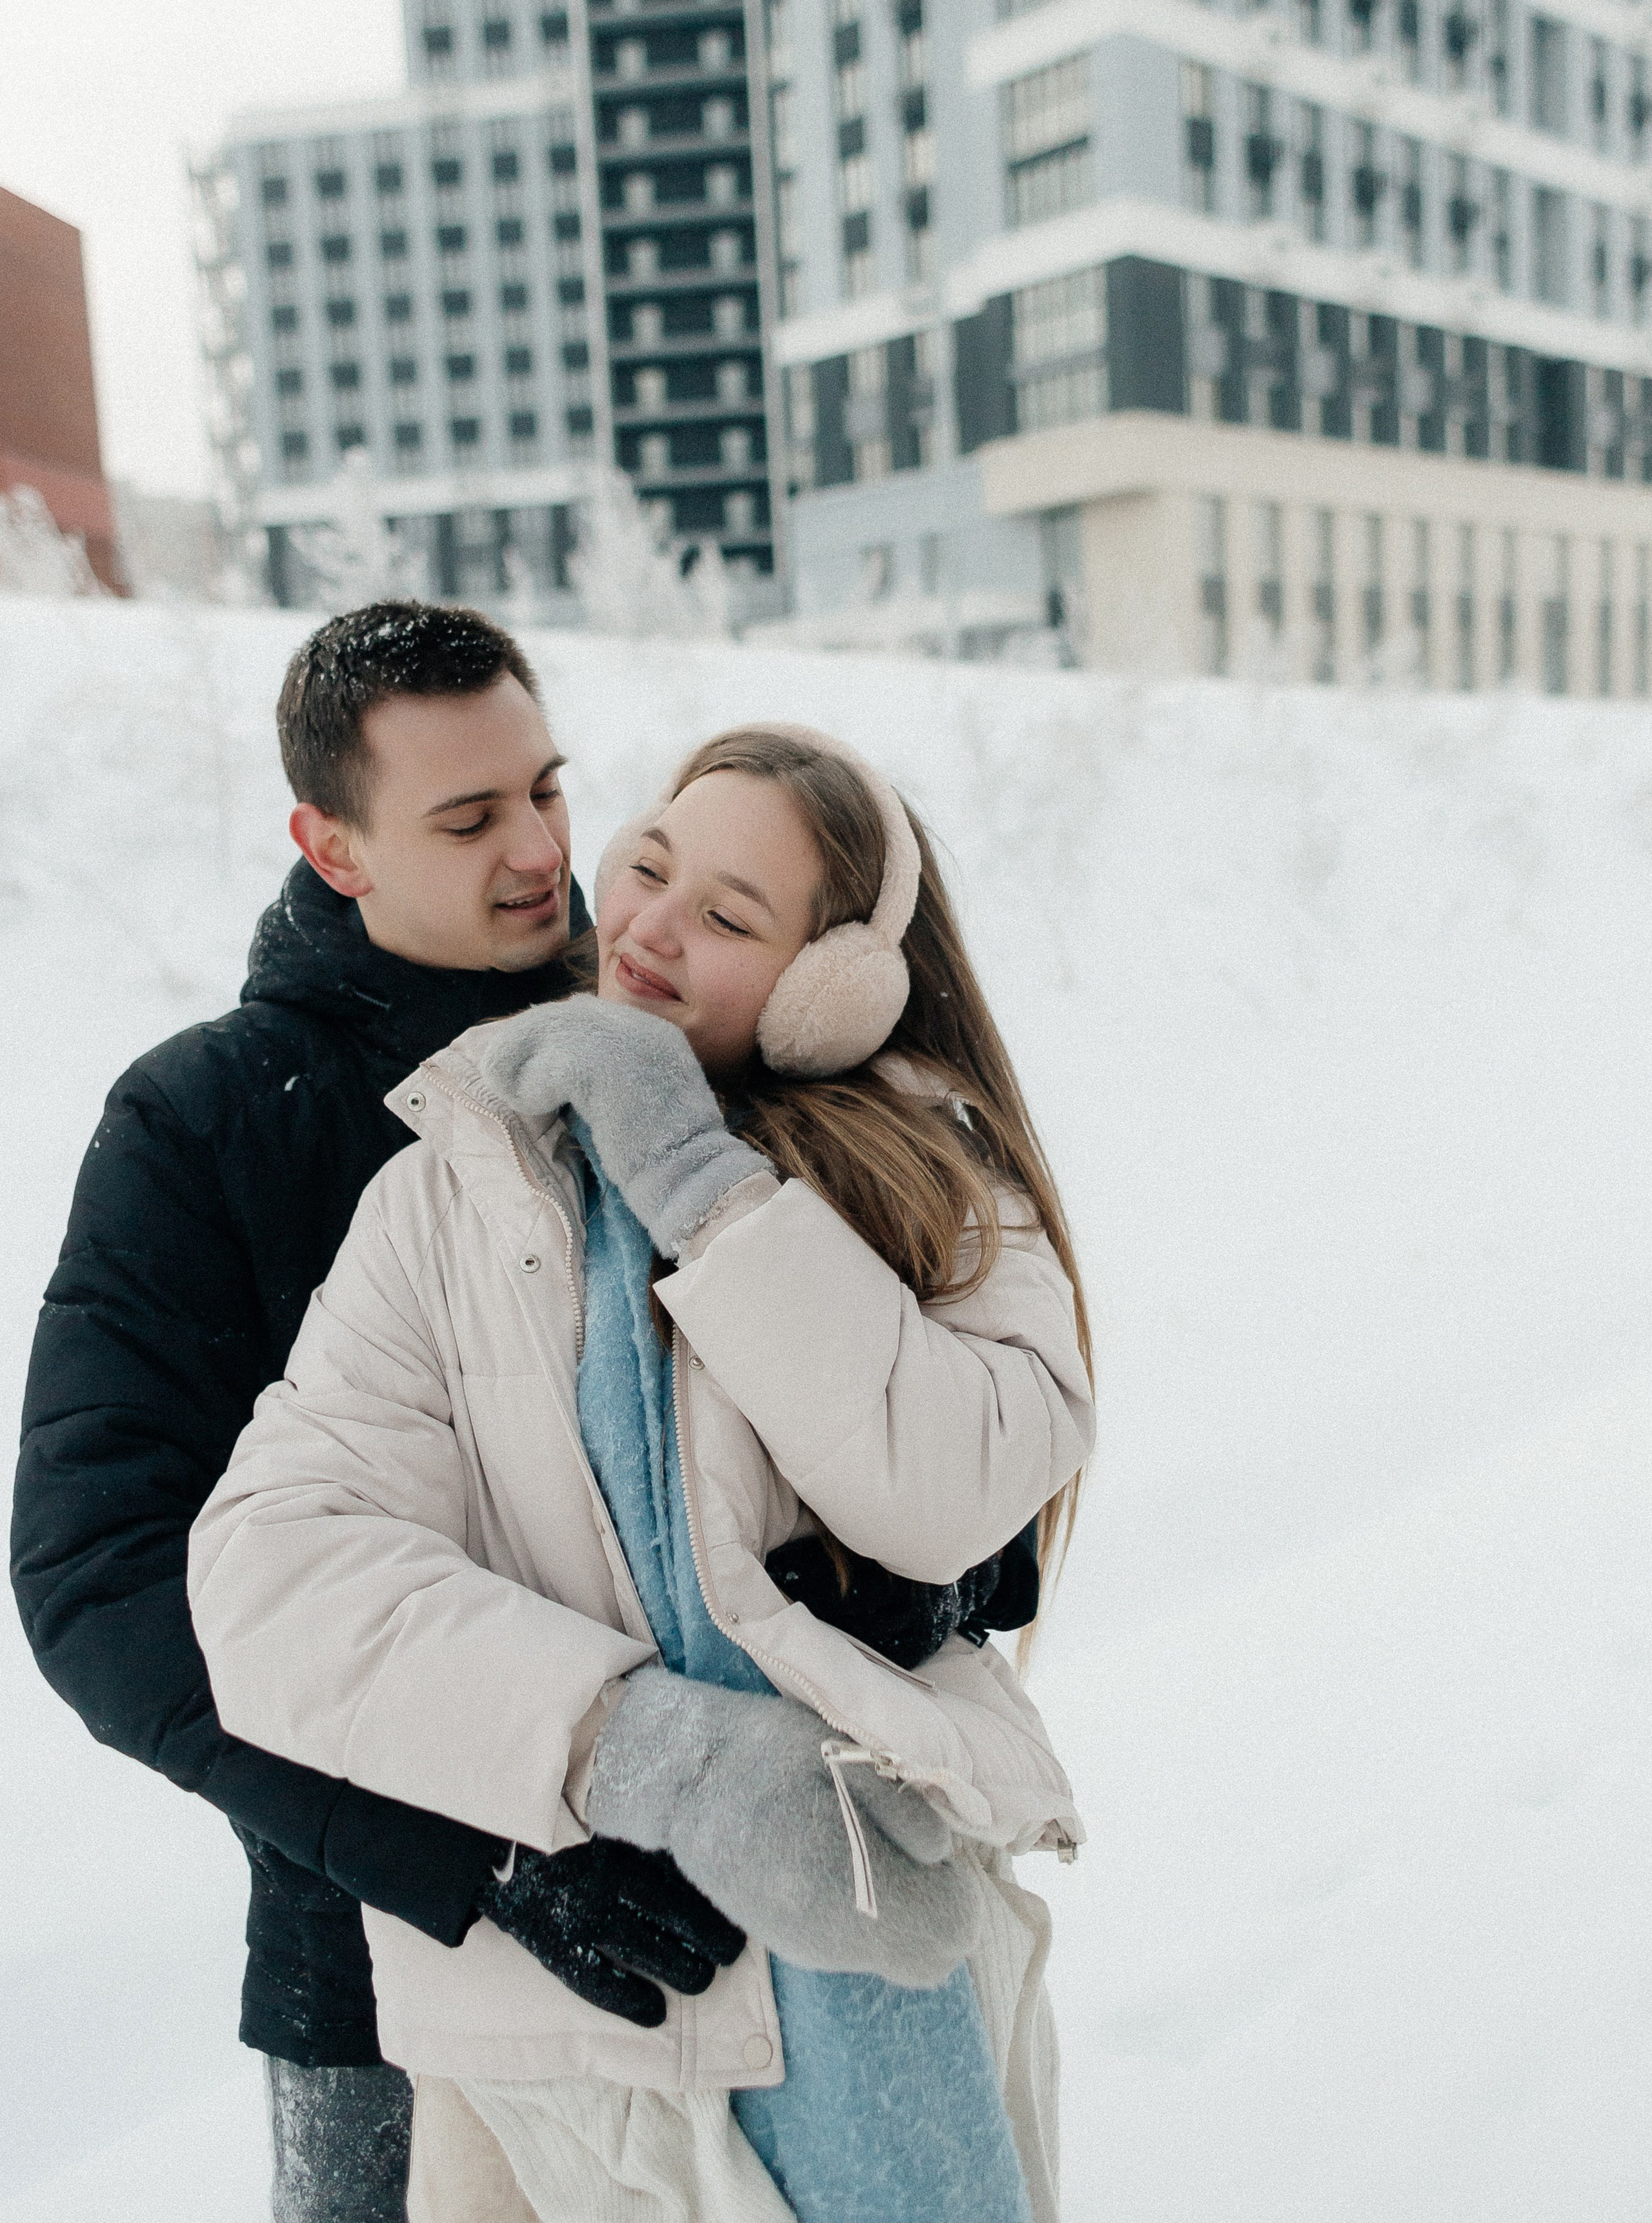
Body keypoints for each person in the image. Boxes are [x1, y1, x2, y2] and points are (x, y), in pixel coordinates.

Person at [187, 723, 1095, 2223]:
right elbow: (273, 1576)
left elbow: (941, 1491)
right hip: (562, 2059)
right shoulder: (447, 1191)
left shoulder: (931, 1183)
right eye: (649, 867)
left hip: (876, 1974)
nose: (652, 928)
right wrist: (651, 1753)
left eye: (728, 917)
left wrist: (694, 1176)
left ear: (827, 988)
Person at [10, 601, 689, 2222]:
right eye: (467, 818)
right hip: (374, 1959)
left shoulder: (667, 1045)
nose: (539, 850)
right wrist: (463, 1855)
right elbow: (103, 1580)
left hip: (716, 1898)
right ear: (333, 845)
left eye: (547, 788)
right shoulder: (204, 1122)